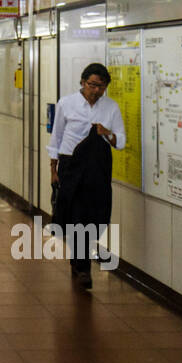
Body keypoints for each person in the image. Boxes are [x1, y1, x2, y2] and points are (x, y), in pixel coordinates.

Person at [47, 63, 125, 289]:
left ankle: (79, 256)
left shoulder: (111, 107)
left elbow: (121, 141)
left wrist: (107, 133)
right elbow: (57, 137)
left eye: (102, 87)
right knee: (76, 214)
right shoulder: (66, 104)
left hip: (97, 167)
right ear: (82, 82)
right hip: (71, 165)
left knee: (97, 215)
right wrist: (53, 170)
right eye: (92, 85)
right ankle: (83, 267)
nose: (96, 91)